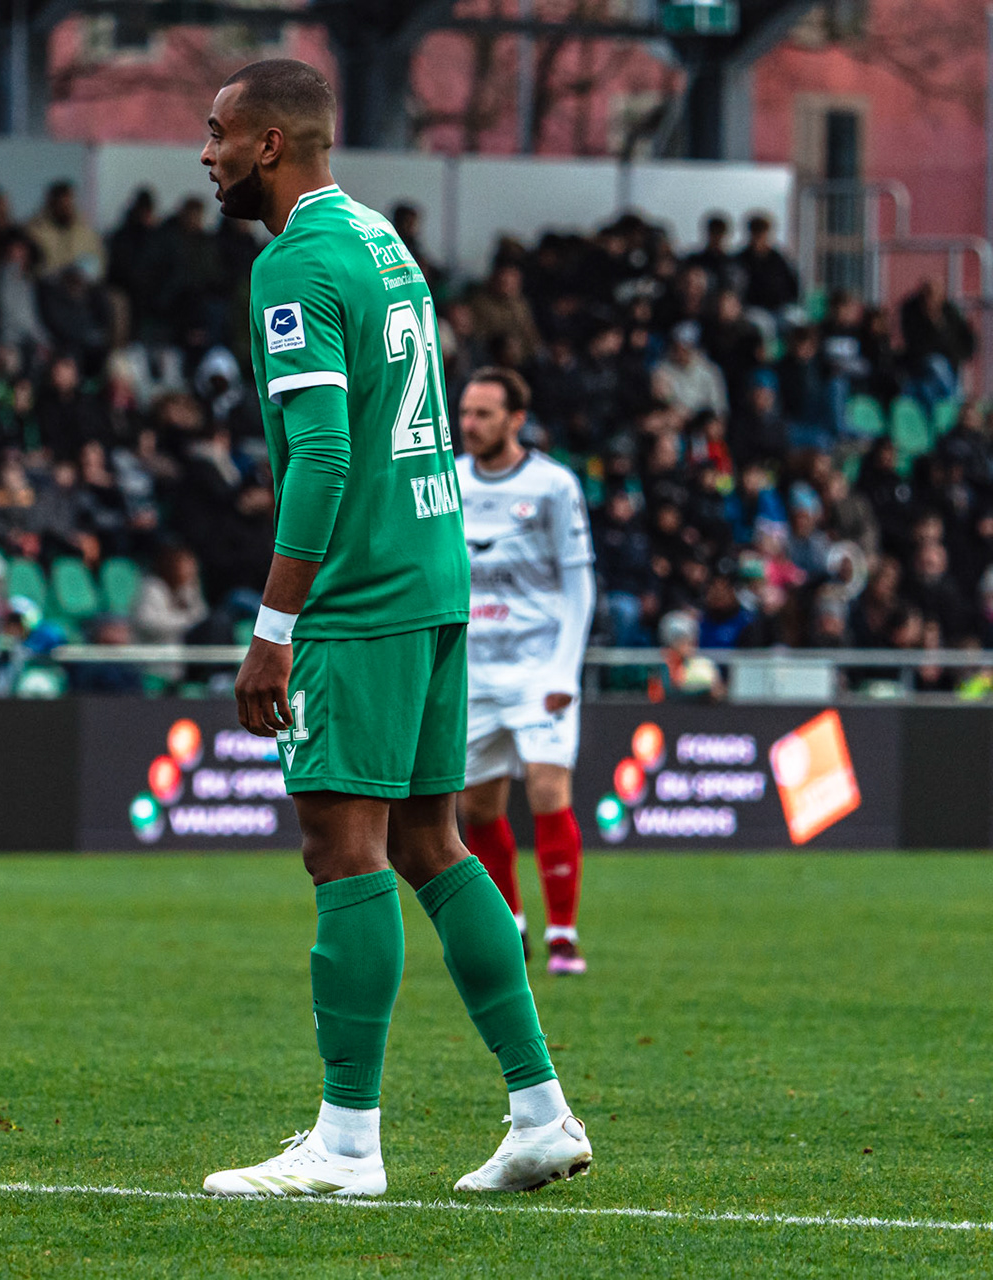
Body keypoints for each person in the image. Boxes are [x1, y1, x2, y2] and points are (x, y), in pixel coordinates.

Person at [198, 58, 589, 1200]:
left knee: (343, 846)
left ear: (272, 144)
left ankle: (347, 1143)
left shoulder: (297, 262)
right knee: (434, 842)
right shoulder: (380, 240)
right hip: (435, 575)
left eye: (218, 131)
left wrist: (274, 624)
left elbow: (320, 453)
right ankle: (540, 1109)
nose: (207, 153)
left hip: (359, 597)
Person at [452, 368, 596, 975]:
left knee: (545, 787)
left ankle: (562, 935)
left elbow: (579, 580)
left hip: (540, 669)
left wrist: (566, 670)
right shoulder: (447, 481)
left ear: (516, 420)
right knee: (477, 809)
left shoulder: (553, 485)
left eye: (484, 414)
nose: (469, 425)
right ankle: (511, 923)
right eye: (464, 413)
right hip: (471, 672)